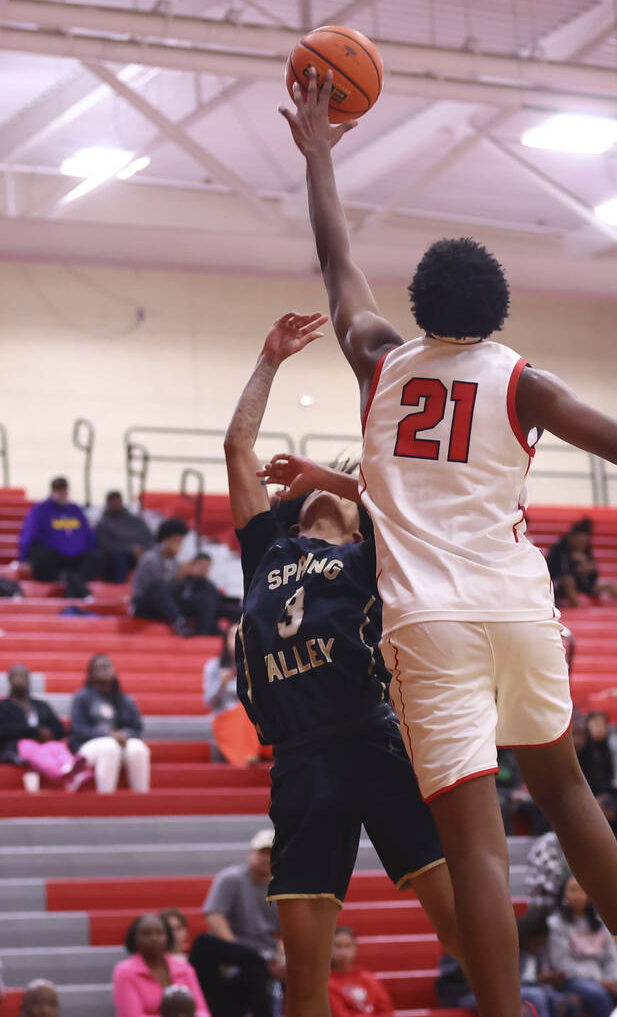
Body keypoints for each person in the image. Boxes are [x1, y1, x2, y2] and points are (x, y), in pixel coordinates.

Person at [279, 68, 617, 1017]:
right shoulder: (520, 379)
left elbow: (337, 261)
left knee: (478, 846)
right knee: (567, 782)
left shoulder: (379, 359)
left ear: (419, 304)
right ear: (496, 311)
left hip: (432, 626)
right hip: (519, 607)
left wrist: (322, 154)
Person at [220, 311, 459, 1017]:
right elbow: (237, 446)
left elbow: (412, 511)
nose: (328, 488)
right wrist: (268, 360)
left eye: (344, 489)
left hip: (373, 736)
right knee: (303, 981)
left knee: (464, 928)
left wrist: (337, 476)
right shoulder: (268, 549)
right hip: (299, 758)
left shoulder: (368, 555)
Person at [189, 830, 282, 1017]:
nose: (266, 857)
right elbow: (214, 915)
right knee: (203, 945)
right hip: (232, 949)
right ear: (251, 853)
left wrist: (281, 956)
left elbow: (287, 930)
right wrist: (238, 951)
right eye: (262, 852)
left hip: (264, 952)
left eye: (271, 852)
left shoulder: (282, 887)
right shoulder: (231, 878)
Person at [68, 654, 150, 793]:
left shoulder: (124, 699)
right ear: (91, 674)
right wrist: (107, 735)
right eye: (99, 668)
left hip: (121, 743)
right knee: (109, 747)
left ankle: (141, 799)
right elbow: (78, 729)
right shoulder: (82, 697)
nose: (104, 670)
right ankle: (106, 800)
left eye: (107, 667)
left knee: (139, 749)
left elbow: (137, 728)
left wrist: (125, 734)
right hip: (90, 745)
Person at [0, 664, 87, 790]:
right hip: (17, 748)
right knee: (29, 746)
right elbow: (3, 731)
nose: (20, 680)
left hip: (44, 745)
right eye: (16, 676)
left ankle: (73, 771)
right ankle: (61, 775)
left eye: (24, 676)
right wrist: (34, 731)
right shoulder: (3, 707)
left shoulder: (41, 705)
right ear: (9, 680)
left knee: (57, 746)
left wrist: (49, 733)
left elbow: (60, 729)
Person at [548, 876, 617, 1017]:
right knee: (597, 994)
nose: (578, 895)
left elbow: (611, 957)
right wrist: (599, 980)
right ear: (563, 894)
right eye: (572, 890)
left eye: (583, 890)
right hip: (572, 979)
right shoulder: (557, 924)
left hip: (603, 977)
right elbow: (561, 963)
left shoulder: (600, 922)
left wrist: (615, 979)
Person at [113, 913, 209, 1017]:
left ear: (168, 937)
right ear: (134, 939)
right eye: (146, 934)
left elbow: (202, 1011)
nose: (154, 938)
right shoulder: (125, 972)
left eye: (159, 933)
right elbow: (131, 1015)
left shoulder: (184, 968)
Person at [17, 476, 97, 598]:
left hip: (76, 559)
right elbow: (28, 533)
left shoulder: (75, 509)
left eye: (63, 489)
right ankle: (72, 582)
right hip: (53, 560)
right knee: (44, 556)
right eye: (58, 490)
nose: (61, 493)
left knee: (95, 558)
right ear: (53, 491)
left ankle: (74, 580)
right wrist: (24, 558)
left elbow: (88, 534)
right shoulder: (41, 509)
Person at [131, 518, 214, 636]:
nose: (179, 546)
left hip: (167, 605)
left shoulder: (175, 562)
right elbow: (158, 591)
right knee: (159, 587)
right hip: (144, 605)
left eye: (181, 542)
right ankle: (179, 623)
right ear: (165, 541)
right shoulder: (150, 559)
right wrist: (181, 575)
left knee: (203, 598)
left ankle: (204, 633)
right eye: (176, 541)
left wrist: (188, 575)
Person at [203, 625, 267, 766]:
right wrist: (221, 684)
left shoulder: (255, 664)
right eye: (232, 635)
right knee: (244, 711)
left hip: (252, 717)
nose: (237, 639)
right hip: (226, 717)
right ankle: (247, 753)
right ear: (226, 640)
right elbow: (209, 701)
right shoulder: (214, 666)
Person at [573, 712, 617, 845]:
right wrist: (594, 804)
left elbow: (603, 783)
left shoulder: (594, 755)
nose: (577, 740)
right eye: (574, 735)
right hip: (575, 802)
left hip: (599, 797)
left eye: (581, 735)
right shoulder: (563, 758)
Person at [327, 926, 394, 1017]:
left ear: (355, 948)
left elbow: (387, 1012)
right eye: (338, 946)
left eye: (348, 946)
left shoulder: (369, 979)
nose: (343, 952)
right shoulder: (327, 984)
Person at [95, 490, 153, 583]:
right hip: (117, 557)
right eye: (112, 501)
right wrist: (130, 549)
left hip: (140, 553)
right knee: (119, 558)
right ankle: (120, 587)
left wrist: (143, 549)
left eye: (117, 501)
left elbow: (148, 537)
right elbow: (105, 545)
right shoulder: (103, 523)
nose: (115, 504)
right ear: (107, 503)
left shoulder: (135, 520)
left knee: (153, 557)